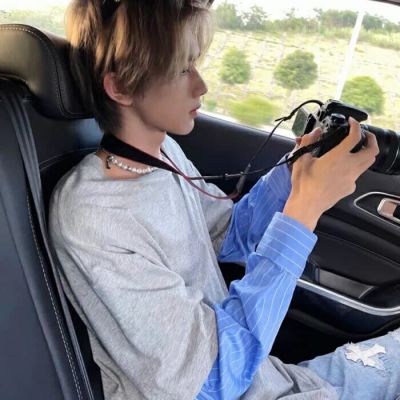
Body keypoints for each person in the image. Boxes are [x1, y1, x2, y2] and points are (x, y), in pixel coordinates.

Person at [49, 1, 400, 399]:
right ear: (122, 87)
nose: (201, 85)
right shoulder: (93, 216)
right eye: (183, 68)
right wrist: (304, 210)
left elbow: (227, 234)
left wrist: (293, 170)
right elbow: (215, 379)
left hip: (265, 379)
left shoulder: (162, 156)